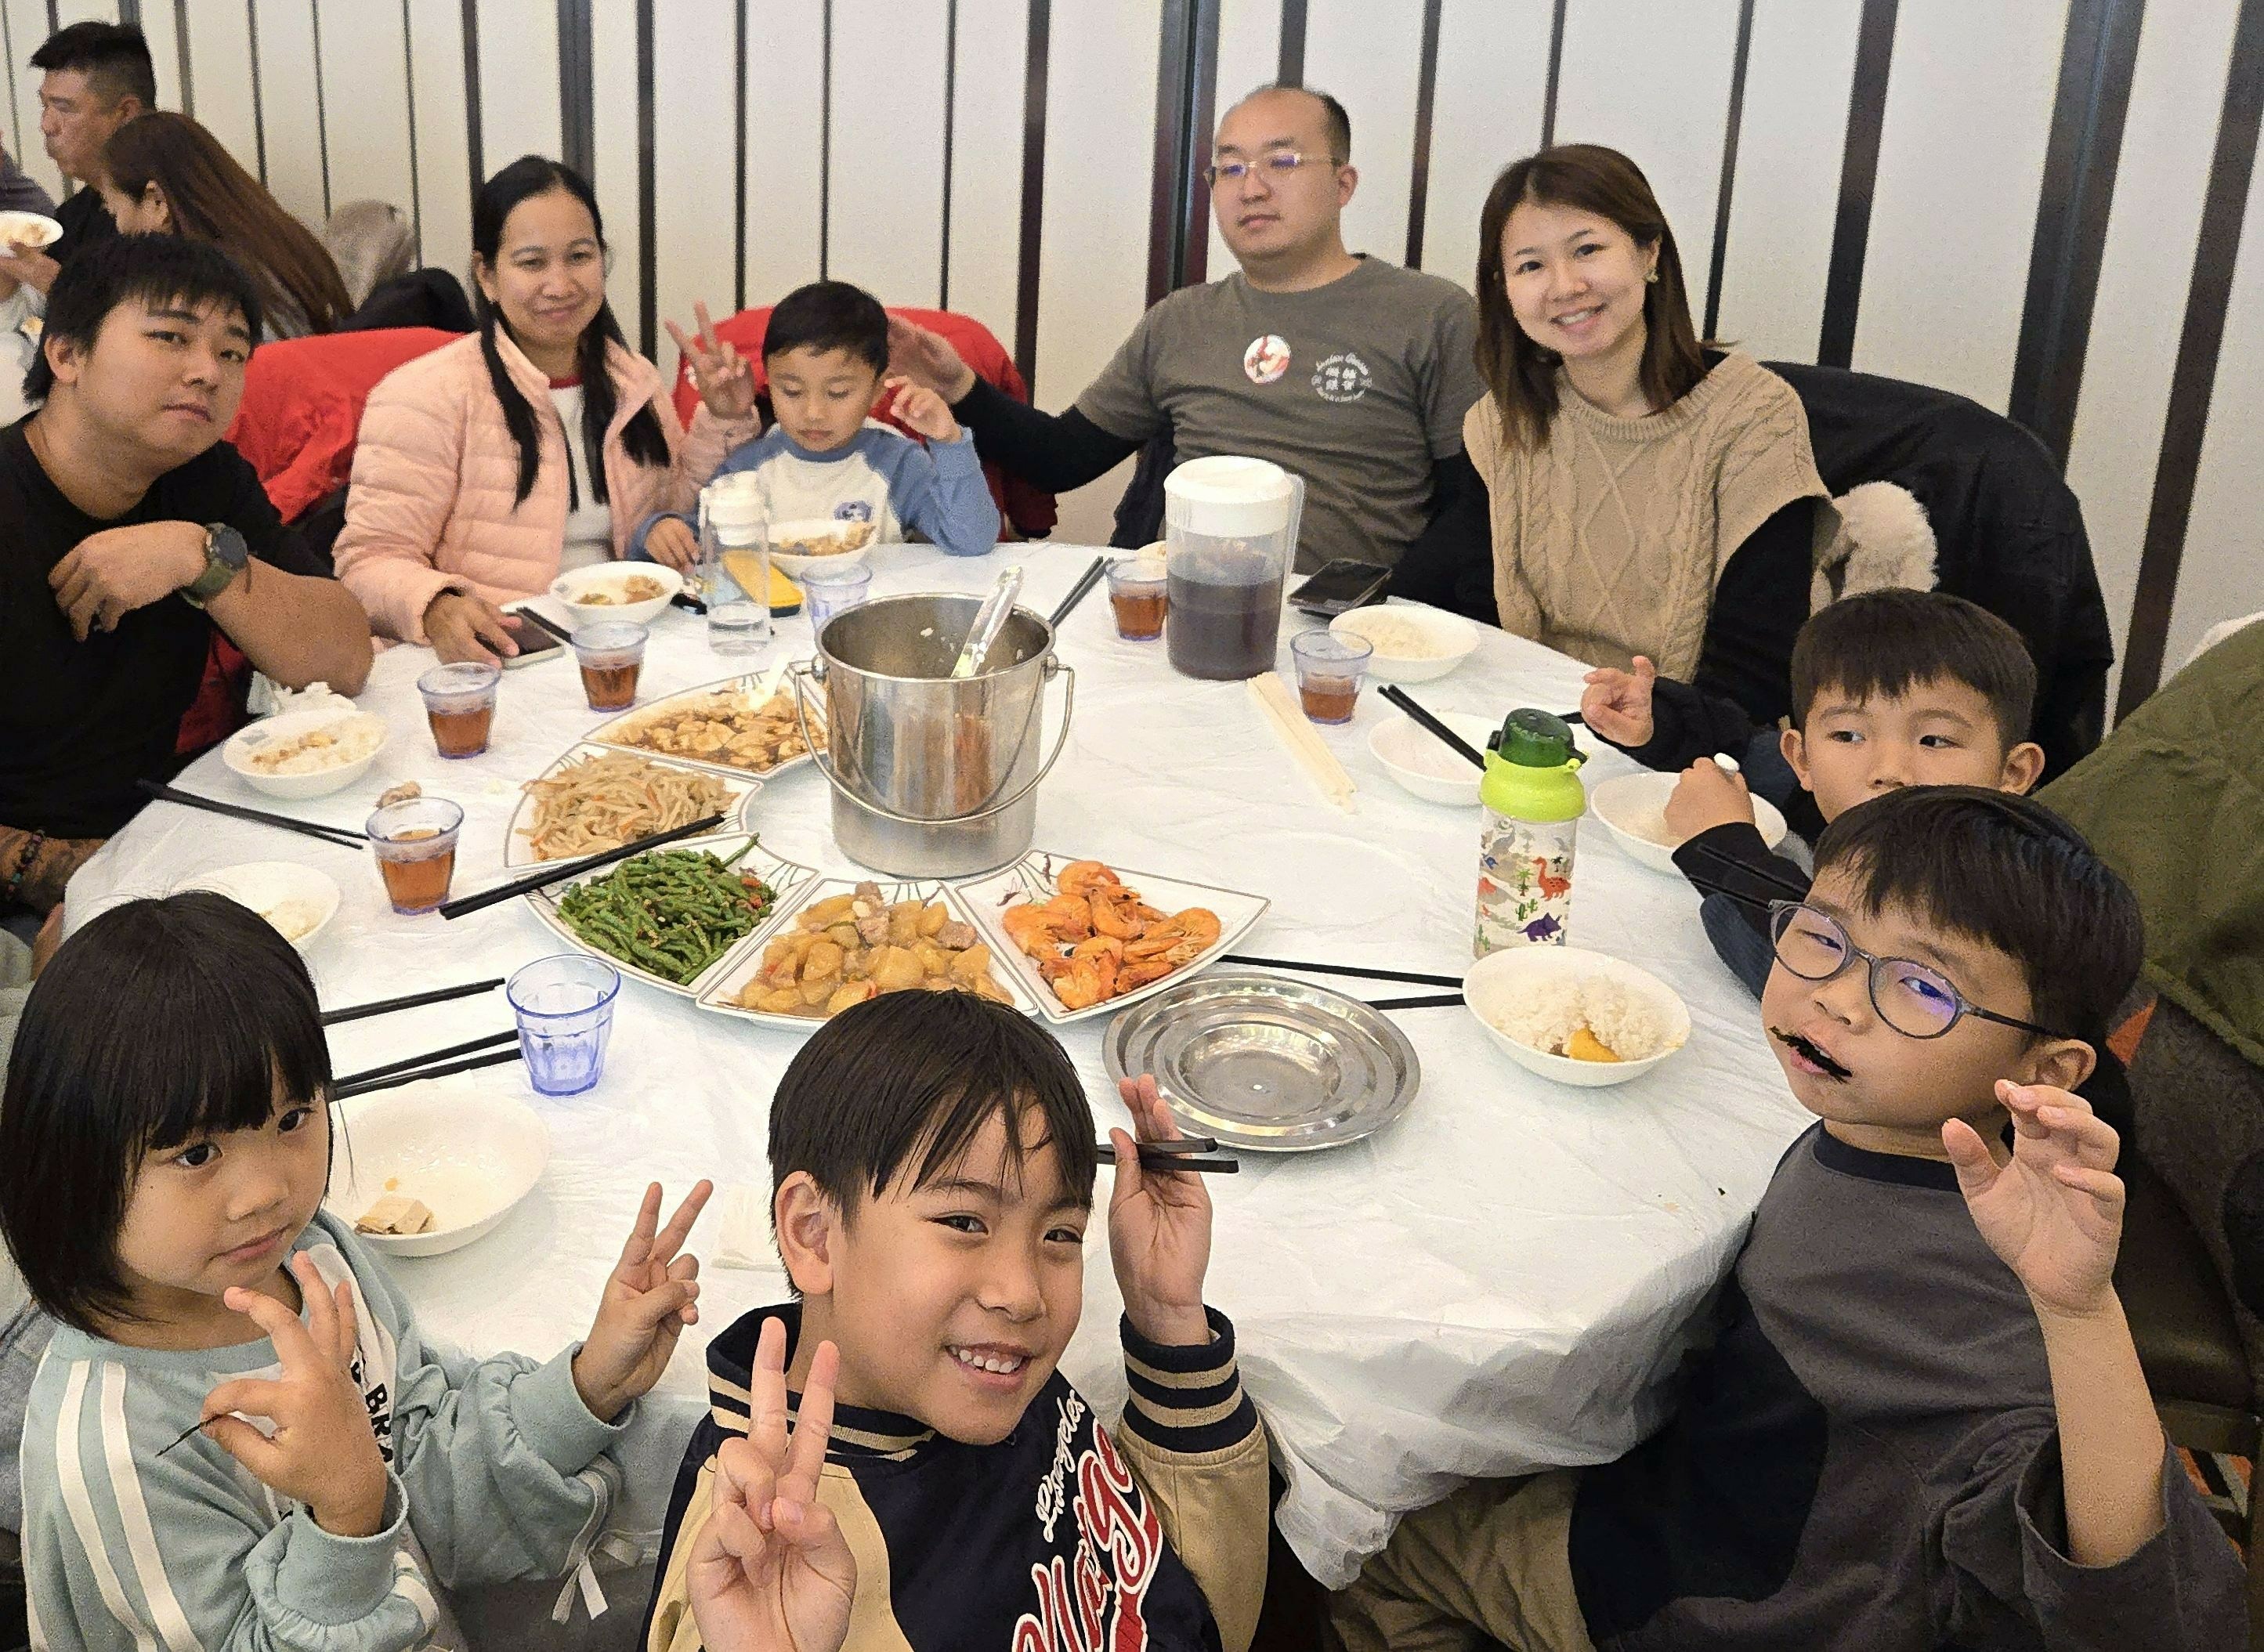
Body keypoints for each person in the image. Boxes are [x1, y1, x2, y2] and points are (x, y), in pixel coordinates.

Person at [1329, 787, 2245, 1651]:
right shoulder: (1884, 1128)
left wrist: (2081, 1316)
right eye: (1822, 935)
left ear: (2044, 1072)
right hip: (1718, 1501)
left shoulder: (1952, 1305)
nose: (1837, 995)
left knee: (1376, 1548)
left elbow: (2154, 1623)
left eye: (1923, 989)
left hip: (1704, 1603)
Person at [1, 891, 715, 1651]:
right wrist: (344, 1514)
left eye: (292, 1119)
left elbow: (429, 1470)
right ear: (72, 1166)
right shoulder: (114, 1451)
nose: (267, 1191)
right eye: (197, 1153)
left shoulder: (314, 1259)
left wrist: (584, 1386)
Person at [641, 990, 1269, 1651]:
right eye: (964, 1222)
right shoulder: (764, 1552)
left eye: (1059, 1233)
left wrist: (1167, 1316)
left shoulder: (987, 1376)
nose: (1022, 1294)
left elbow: (1177, 1607)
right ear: (815, 1233)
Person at [888, 84, 1484, 573]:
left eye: (1282, 161)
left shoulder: (1431, 314)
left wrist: (1376, 613)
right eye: (1230, 167)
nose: (1252, 187)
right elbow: (1060, 458)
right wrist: (959, 385)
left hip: (1349, 631)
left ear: (1342, 184)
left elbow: (1478, 505)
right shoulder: (1182, 320)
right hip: (1183, 604)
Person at [1395, 145, 1832, 742]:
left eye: (1588, 250)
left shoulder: (1753, 419)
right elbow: (1440, 594)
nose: (1565, 286)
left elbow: (1759, 674)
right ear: (1505, 289)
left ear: (1650, 253)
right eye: (1531, 265)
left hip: (1689, 746)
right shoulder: (1507, 421)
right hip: (1529, 726)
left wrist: (1655, 725)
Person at [0, 236, 371, 922]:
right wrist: (56, 871)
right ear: (66, 354)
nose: (207, 372)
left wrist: (199, 558)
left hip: (161, 833)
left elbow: (345, 657)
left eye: (232, 352)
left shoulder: (205, 479)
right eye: (171, 337)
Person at [334, 155, 755, 665]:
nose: (560, 285)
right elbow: (367, 563)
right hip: (500, 655)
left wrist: (725, 418)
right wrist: (438, 605)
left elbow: (673, 518)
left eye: (579, 256)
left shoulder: (632, 380)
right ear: (487, 275)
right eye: (532, 263)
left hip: (628, 640)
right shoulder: (425, 395)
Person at [1586, 589, 2045, 996]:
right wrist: (1659, 725)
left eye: (1934, 740)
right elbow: (1747, 750)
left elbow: (1828, 980)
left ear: (2013, 773)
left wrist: (1723, 846)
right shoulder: (1838, 795)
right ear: (1802, 758)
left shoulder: (1992, 901)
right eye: (1849, 735)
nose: (1889, 771)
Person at [638, 281, 998, 563]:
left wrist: (949, 442)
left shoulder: (899, 464)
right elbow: (696, 539)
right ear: (770, 384)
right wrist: (657, 531)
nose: (813, 412)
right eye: (792, 391)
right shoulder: (748, 467)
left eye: (838, 393)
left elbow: (971, 540)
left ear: (877, 390)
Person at [100, 110, 353, 338]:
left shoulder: (203, 293)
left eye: (115, 212)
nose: (118, 228)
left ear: (157, 202)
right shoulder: (284, 242)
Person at [0, 23, 153, 295]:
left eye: (64, 108)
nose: (46, 125)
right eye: (44, 105)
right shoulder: (76, 215)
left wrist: (62, 290)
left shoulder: (167, 208)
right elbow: (34, 311)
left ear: (126, 113)